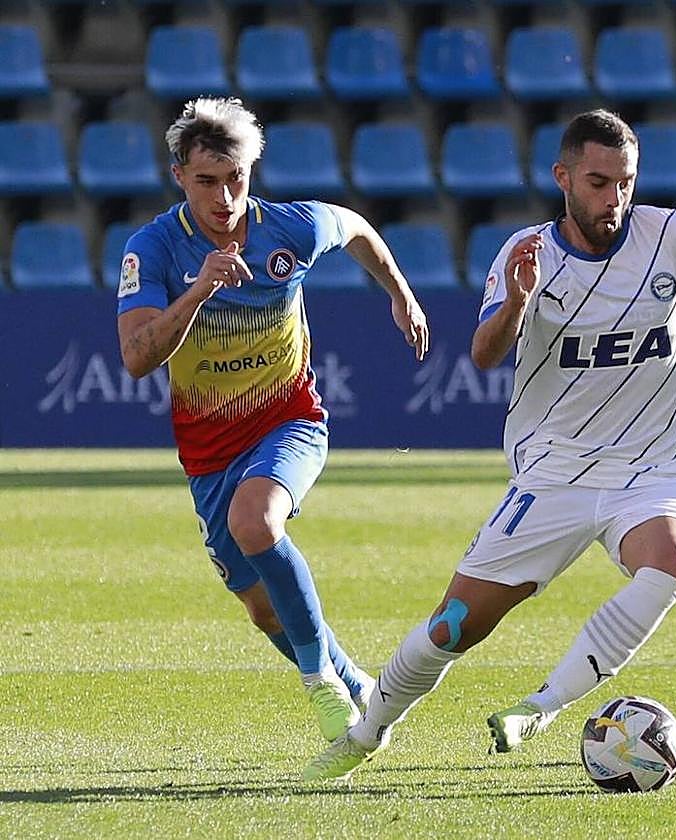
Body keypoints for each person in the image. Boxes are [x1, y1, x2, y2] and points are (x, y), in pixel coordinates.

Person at [303, 108, 676, 781]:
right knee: (451, 628)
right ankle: (368, 732)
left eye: (625, 182)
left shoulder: (675, 233)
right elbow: (482, 353)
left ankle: (542, 706)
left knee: (673, 559)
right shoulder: (525, 254)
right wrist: (516, 303)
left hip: (646, 473)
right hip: (552, 477)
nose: (613, 198)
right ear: (563, 177)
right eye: (598, 182)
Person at [116, 97, 430, 743]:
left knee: (256, 521)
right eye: (207, 181)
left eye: (236, 179)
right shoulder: (152, 248)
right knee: (263, 612)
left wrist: (401, 295)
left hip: (288, 420)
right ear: (179, 176)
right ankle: (357, 686)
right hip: (206, 450)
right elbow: (137, 357)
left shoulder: (290, 228)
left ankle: (319, 683)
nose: (225, 197)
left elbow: (358, 229)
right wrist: (198, 290)